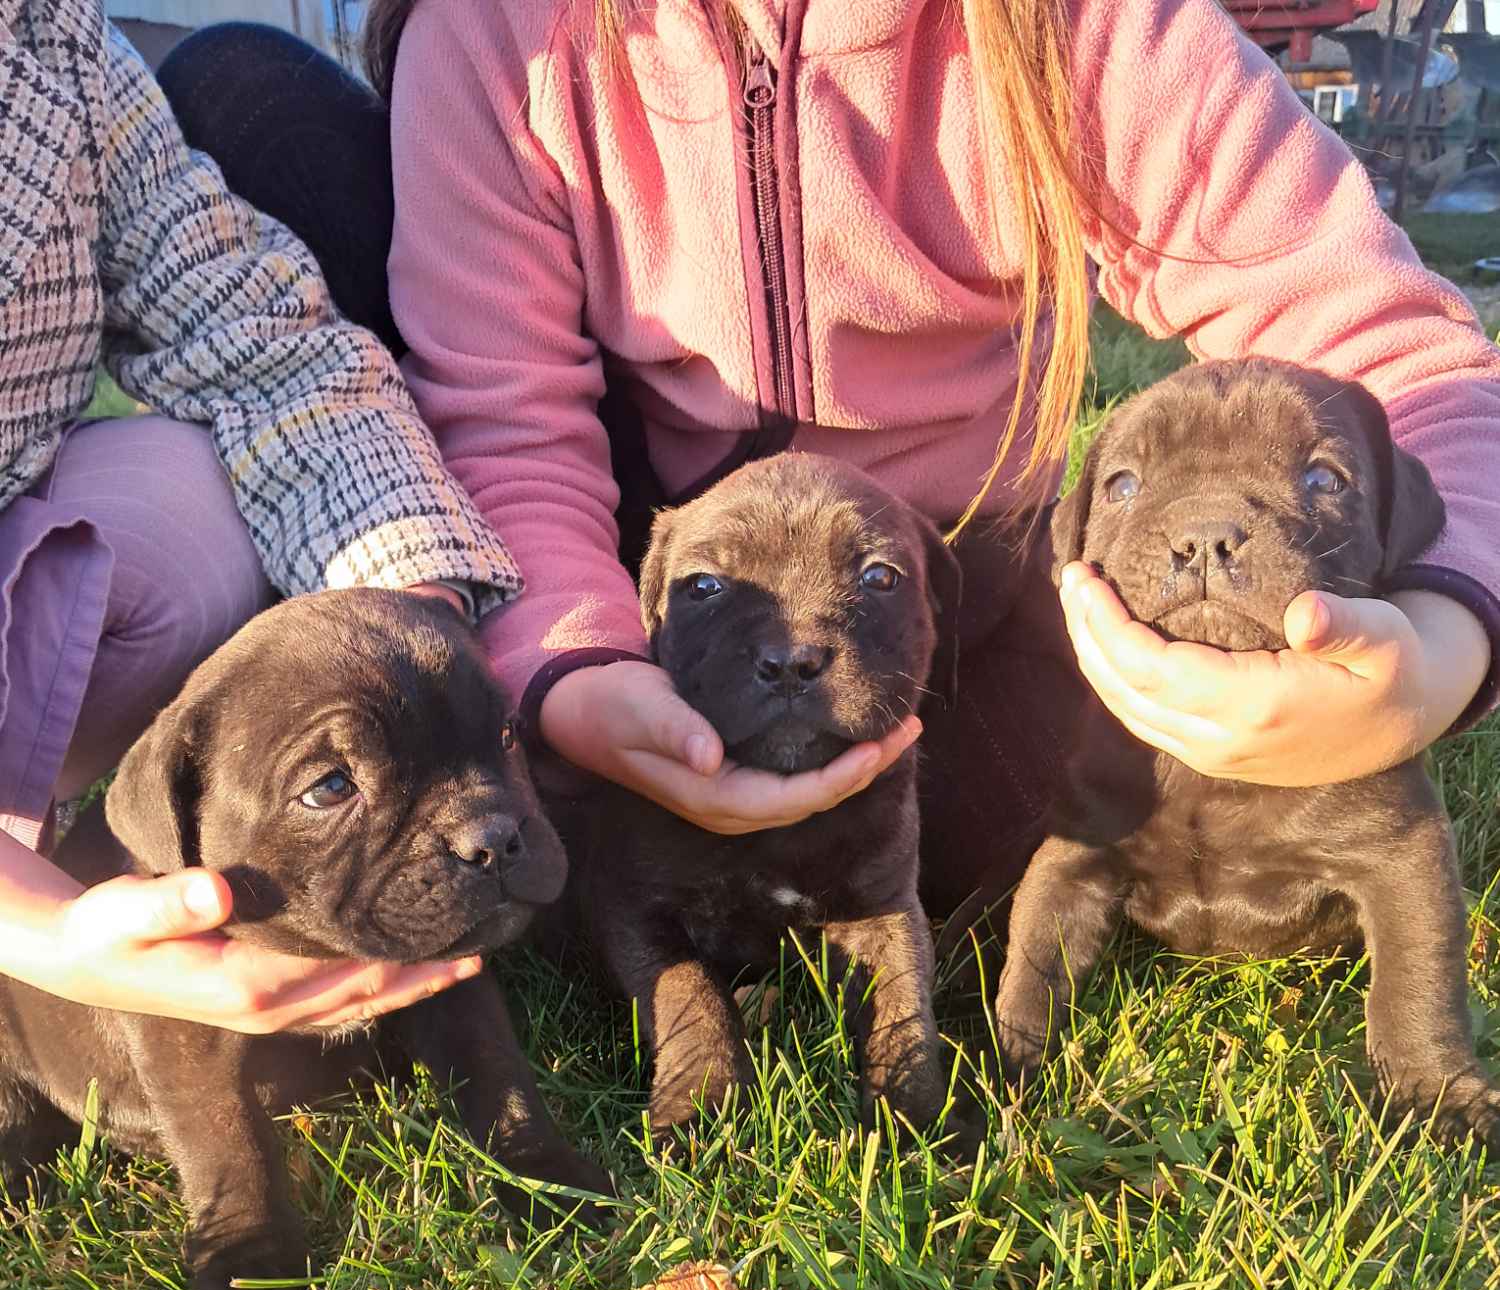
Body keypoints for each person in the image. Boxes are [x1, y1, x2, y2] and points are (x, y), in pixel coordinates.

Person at [160, 0, 1500, 927]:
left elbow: (1402, 358)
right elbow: (510, 424)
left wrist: (1437, 652)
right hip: (648, 554)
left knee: (1025, 843)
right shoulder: (497, 33)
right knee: (242, 90)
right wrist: (578, 676)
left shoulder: (1077, 29)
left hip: (945, 586)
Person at [0, 0, 525, 1046]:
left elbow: (253, 328)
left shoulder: (50, 41)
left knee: (190, 493)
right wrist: (45, 933)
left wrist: (410, 620)